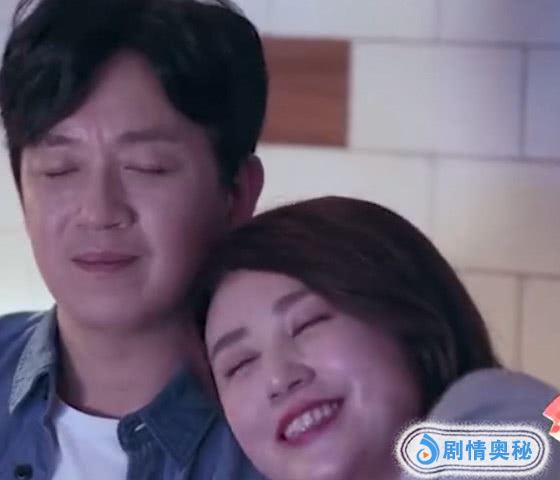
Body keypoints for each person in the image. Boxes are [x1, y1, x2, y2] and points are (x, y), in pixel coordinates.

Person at [0, 0, 268, 479]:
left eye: (147, 167)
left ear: (237, 194)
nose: (99, 212)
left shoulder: (300, 439)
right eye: (59, 169)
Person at [197, 196, 560, 480]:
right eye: (239, 364)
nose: (279, 378)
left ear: (409, 317)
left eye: (308, 323)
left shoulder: (501, 414)